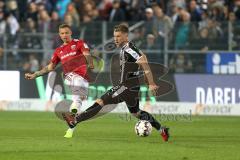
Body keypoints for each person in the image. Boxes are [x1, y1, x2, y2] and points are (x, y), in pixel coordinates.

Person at [62, 24, 170, 141]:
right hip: (132, 87)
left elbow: (143, 61)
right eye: (114, 36)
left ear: (126, 36)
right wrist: (146, 78)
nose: (115, 39)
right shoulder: (128, 48)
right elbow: (144, 56)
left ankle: (75, 120)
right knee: (136, 113)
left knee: (101, 101)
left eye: (118, 36)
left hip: (126, 86)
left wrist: (151, 82)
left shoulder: (129, 48)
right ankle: (161, 129)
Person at [25, 24, 94, 138]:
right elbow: (50, 67)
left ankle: (70, 126)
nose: (64, 35)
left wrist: (90, 62)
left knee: (79, 101)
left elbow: (86, 53)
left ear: (70, 32)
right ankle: (72, 114)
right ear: (59, 35)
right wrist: (35, 74)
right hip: (70, 77)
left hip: (83, 78)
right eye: (62, 33)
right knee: (77, 91)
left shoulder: (79, 43)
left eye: (66, 32)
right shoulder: (59, 50)